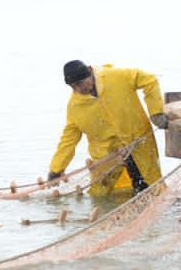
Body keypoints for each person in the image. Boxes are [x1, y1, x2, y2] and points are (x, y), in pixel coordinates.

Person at [47, 60, 167, 196]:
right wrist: (56, 168)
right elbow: (69, 139)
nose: (78, 90)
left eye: (80, 83)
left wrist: (156, 112)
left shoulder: (116, 77)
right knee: (99, 196)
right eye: (73, 87)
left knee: (153, 187)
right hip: (106, 157)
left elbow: (149, 80)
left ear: (89, 73)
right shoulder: (75, 107)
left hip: (139, 142)